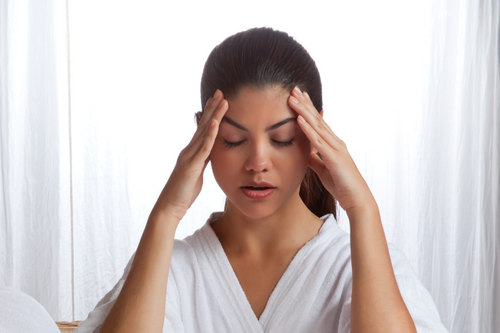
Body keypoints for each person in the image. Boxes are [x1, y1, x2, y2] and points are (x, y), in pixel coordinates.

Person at [75, 27, 448, 333]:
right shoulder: (167, 269)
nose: (257, 162)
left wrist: (363, 210)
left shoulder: (365, 265)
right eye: (234, 140)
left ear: (316, 133)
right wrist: (165, 214)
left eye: (282, 139)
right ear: (203, 135)